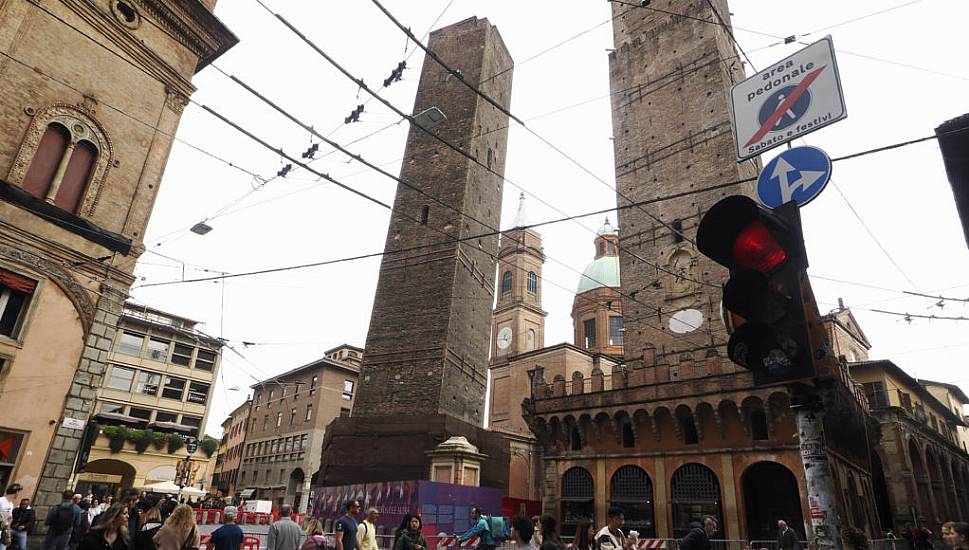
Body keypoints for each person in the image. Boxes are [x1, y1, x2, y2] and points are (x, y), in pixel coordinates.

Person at [1, 484, 23, 550]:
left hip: (3, 531)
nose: (18, 495)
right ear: (16, 492)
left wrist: (8, 535)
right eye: (19, 492)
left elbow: (9, 520)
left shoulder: (11, 504)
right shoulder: (1, 500)